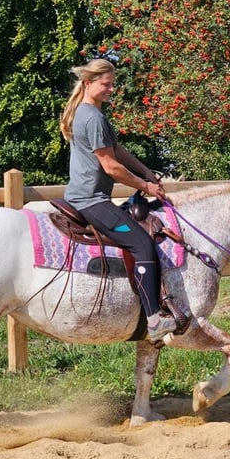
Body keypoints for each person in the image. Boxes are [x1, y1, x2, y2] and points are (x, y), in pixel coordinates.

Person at [59, 58, 177, 342]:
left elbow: (117, 151)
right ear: (88, 83)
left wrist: (147, 172)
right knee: (142, 243)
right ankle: (153, 319)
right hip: (91, 201)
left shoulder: (88, 112)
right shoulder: (93, 117)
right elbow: (111, 167)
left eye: (113, 84)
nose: (112, 89)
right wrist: (145, 185)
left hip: (87, 196)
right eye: (106, 84)